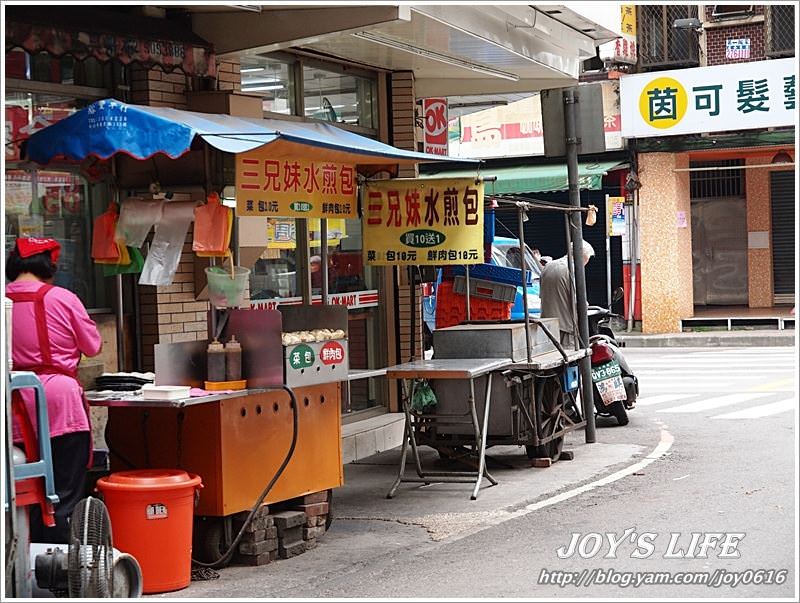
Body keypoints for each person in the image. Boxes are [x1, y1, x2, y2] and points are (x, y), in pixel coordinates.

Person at [6, 238, 102, 543]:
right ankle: (59, 570)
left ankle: (21, 567)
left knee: (19, 489)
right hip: (60, 404)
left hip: (12, 405)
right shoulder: (63, 298)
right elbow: (93, 346)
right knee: (64, 490)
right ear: (49, 266)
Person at [539, 240, 595, 349]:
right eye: (588, 258)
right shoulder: (573, 270)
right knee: (570, 361)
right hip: (566, 327)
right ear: (583, 256)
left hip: (548, 326)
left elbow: (542, 295)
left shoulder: (548, 266)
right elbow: (578, 300)